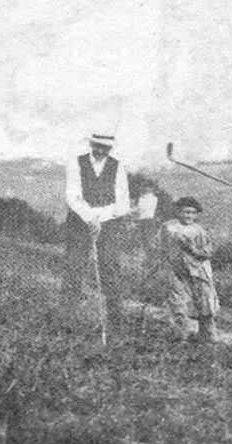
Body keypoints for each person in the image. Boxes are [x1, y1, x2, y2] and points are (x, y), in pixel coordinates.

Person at [63, 133, 133, 337]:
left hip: (109, 223)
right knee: (74, 269)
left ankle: (115, 326)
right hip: (79, 222)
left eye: (106, 148)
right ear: (91, 143)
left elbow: (123, 202)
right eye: (98, 146)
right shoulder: (76, 163)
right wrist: (89, 217)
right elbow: (72, 196)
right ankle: (67, 322)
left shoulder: (117, 166)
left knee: (111, 270)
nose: (102, 151)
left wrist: (100, 218)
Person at [160, 197, 219, 342]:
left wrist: (192, 249)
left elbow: (208, 252)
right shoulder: (168, 227)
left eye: (193, 213)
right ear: (178, 212)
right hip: (176, 269)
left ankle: (208, 336)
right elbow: (159, 246)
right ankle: (182, 337)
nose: (189, 216)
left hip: (199, 271)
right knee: (178, 303)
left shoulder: (199, 231)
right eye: (186, 212)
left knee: (204, 302)